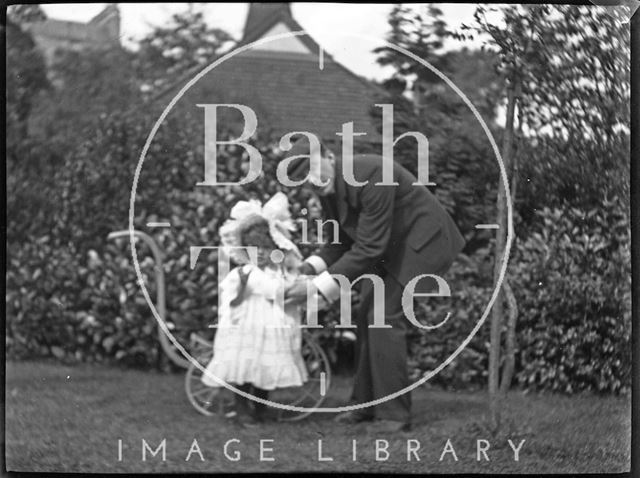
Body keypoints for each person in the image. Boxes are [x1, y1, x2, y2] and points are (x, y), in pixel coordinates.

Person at [283, 140, 465, 433]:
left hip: (424, 243)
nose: (312, 182)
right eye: (304, 179)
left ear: (330, 157)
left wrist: (315, 288)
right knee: (367, 312)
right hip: (392, 248)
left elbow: (367, 248)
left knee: (383, 316)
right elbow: (340, 243)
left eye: (314, 170)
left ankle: (394, 415)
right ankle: (364, 406)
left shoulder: (372, 173)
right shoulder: (329, 189)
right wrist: (307, 269)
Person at [202, 192, 308, 425]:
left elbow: (285, 286)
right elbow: (272, 290)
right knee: (244, 368)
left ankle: (260, 408)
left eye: (264, 247)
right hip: (245, 328)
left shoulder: (277, 271)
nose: (258, 253)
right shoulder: (247, 272)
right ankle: (242, 409)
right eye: (252, 248)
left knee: (265, 370)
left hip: (270, 329)